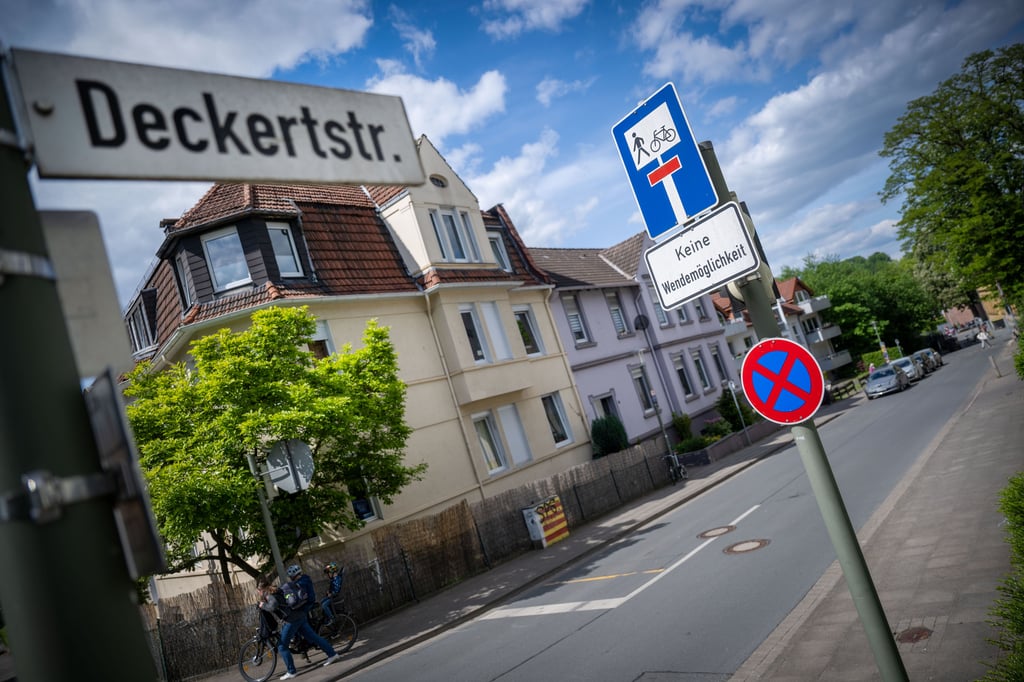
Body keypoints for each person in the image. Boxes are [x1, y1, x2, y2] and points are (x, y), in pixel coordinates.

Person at [277, 564, 340, 679]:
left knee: (303, 635)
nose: (290, 578)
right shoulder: (304, 579)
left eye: (291, 576)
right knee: (312, 636)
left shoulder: (301, 582)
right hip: (304, 609)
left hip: (305, 607)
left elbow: (296, 596)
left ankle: (292, 668)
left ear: (294, 575)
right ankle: (332, 654)